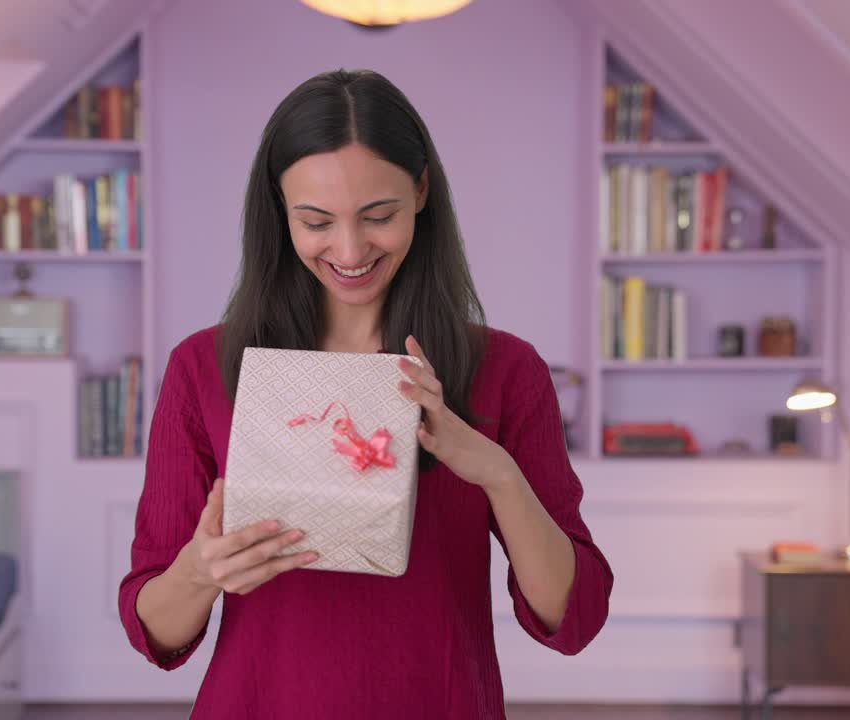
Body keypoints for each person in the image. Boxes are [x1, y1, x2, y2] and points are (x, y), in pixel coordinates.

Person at [119, 68, 613, 719]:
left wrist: (495, 470)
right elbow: (154, 630)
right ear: (279, 210)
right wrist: (201, 571)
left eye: (378, 216)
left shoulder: (504, 369)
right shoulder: (204, 368)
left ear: (422, 192)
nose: (350, 250)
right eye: (316, 221)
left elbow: (571, 617)